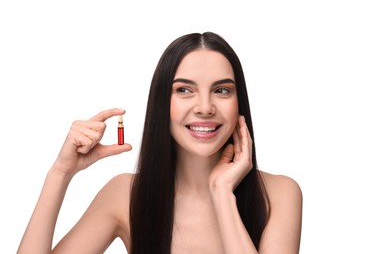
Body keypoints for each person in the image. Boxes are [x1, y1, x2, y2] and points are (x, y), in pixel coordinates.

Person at [18, 32, 302, 254]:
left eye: (221, 90)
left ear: (239, 102)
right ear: (161, 103)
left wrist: (222, 194)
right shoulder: (125, 194)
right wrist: (60, 172)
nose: (205, 107)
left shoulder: (279, 194)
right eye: (184, 90)